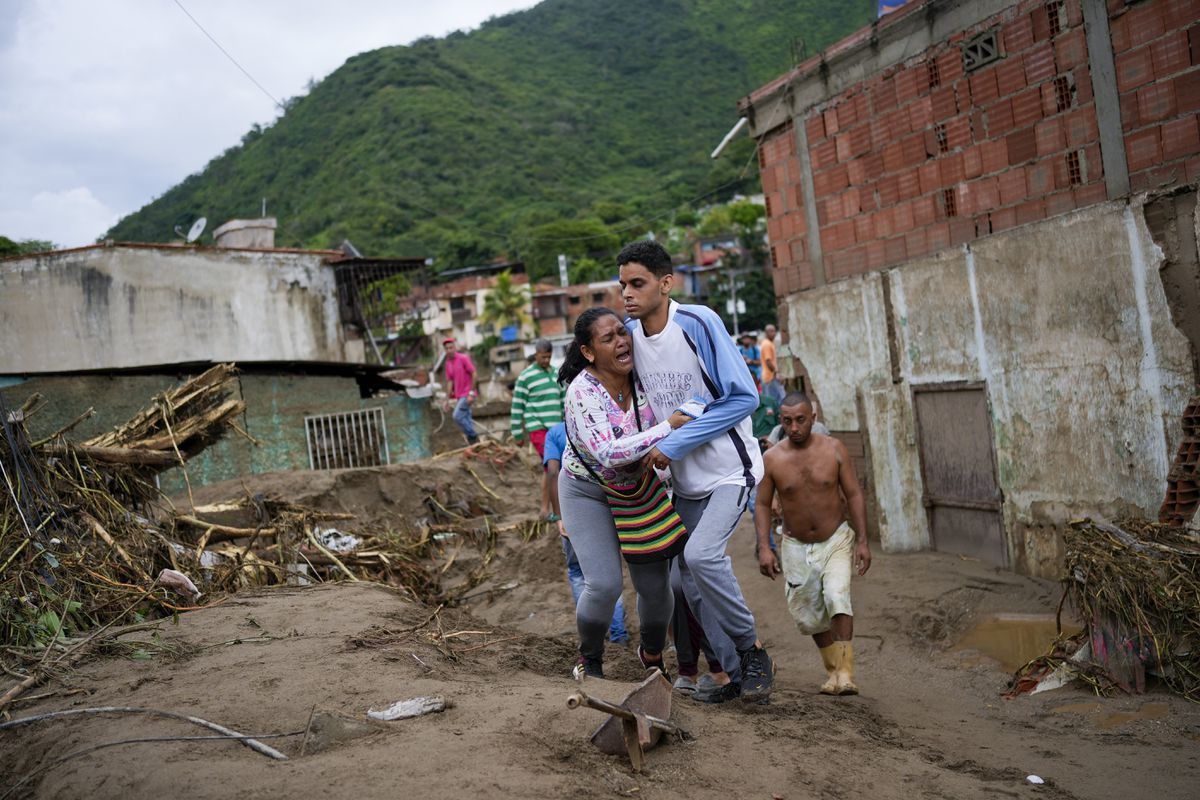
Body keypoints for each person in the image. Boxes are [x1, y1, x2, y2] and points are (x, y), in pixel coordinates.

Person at [618, 239, 774, 705]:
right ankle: (733, 675)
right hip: (684, 479)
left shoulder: (698, 322)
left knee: (704, 558)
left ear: (666, 284)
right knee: (684, 578)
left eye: (638, 283)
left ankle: (753, 652)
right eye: (622, 283)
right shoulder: (630, 335)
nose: (627, 292)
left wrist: (676, 442)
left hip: (730, 469)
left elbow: (744, 396)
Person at [557, 307, 694, 678]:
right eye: (608, 338)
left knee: (655, 587)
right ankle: (591, 658)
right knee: (604, 585)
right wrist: (667, 427)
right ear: (588, 352)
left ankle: (651, 655)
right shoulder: (582, 392)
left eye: (623, 332)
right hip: (587, 490)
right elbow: (607, 452)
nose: (621, 341)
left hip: (640, 489)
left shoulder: (643, 377)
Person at [754, 392, 871, 695]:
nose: (794, 427)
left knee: (836, 595)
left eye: (800, 420)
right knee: (808, 613)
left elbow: (855, 494)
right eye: (787, 421)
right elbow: (764, 504)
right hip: (795, 544)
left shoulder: (834, 450)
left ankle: (845, 674)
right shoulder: (772, 459)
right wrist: (764, 547)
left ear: (813, 418)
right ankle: (833, 671)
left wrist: (863, 541)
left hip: (836, 537)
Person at [543, 422, 628, 643]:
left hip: (575, 509)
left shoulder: (555, 433)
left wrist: (559, 515)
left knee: (579, 574)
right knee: (610, 573)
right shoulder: (606, 425)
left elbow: (553, 472)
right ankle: (618, 633)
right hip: (609, 504)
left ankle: (593, 636)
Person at [510, 339, 563, 458]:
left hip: (556, 428)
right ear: (536, 354)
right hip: (537, 428)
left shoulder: (557, 374)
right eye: (543, 357)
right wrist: (517, 434)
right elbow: (517, 407)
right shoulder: (526, 376)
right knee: (553, 460)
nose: (546, 360)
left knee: (552, 468)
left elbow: (564, 402)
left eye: (549, 357)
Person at [442, 338, 479, 445]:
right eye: (446, 348)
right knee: (467, 419)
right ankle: (475, 444)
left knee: (457, 416)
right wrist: (447, 400)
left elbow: (474, 374)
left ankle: (472, 436)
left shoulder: (463, 358)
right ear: (444, 350)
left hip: (467, 394)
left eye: (451, 347)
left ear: (455, 347)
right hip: (459, 396)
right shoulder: (448, 363)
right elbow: (449, 382)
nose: (449, 350)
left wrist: (471, 393)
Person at [760, 324, 785, 403]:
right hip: (770, 377)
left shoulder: (768, 343)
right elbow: (768, 361)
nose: (774, 333)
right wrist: (776, 373)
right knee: (779, 400)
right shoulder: (767, 344)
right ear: (766, 333)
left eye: (774, 331)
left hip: (769, 377)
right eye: (771, 331)